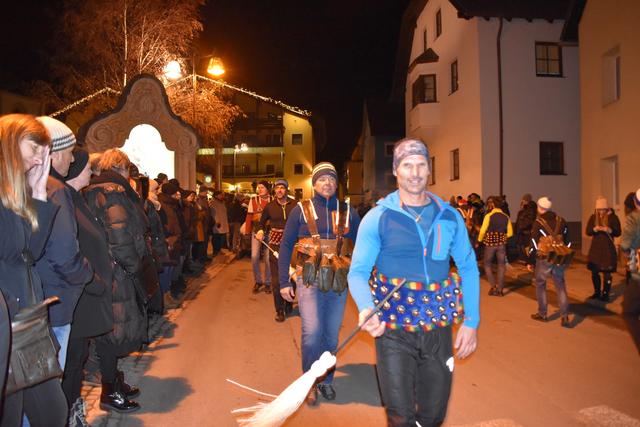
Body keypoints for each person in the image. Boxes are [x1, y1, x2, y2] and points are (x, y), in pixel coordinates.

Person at [348, 138, 479, 427]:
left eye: (421, 164)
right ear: (396, 170)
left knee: (433, 414)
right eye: (407, 165)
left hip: (437, 329)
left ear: (429, 169)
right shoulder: (377, 217)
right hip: (392, 329)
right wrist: (366, 308)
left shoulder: (450, 216)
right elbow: (357, 272)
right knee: (400, 415)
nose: (415, 172)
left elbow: (469, 267)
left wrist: (471, 321)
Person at [0, 114, 68, 426]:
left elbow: (31, 254)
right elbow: (14, 251)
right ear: (11, 142)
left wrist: (38, 194)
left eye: (45, 150)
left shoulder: (18, 192)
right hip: (8, 327)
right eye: (35, 147)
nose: (42, 157)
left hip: (27, 324)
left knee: (53, 413)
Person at [278, 162, 360, 405]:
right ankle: (309, 381)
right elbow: (285, 245)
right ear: (314, 183)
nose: (328, 183)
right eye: (322, 179)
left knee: (331, 335)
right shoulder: (300, 210)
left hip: (338, 280)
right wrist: (284, 280)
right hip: (308, 277)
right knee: (312, 332)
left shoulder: (347, 211)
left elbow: (363, 243)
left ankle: (326, 380)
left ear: (337, 184)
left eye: (332, 179)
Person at [84, 149, 148, 412]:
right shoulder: (112, 194)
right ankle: (109, 391)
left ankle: (114, 382)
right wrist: (136, 268)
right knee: (112, 334)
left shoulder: (94, 190)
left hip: (109, 270)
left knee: (111, 330)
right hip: (117, 273)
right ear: (121, 168)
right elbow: (120, 236)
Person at [34, 116, 94, 374]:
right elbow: (63, 253)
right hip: (56, 301)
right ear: (53, 153)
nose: (71, 159)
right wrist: (86, 274)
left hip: (34, 299)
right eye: (69, 153)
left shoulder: (21, 184)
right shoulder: (55, 190)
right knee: (48, 384)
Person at [60, 149, 115, 424]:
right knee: (70, 364)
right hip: (78, 295)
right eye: (86, 168)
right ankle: (68, 414)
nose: (91, 173)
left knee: (77, 361)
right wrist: (94, 279)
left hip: (86, 294)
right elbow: (67, 252)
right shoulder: (64, 200)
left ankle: (73, 411)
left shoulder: (76, 199)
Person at [255, 179, 296, 321]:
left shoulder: (295, 205)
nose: (279, 190)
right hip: (275, 246)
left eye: (282, 188)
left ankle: (289, 301)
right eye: (277, 188)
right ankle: (279, 310)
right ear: (275, 190)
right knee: (276, 279)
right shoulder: (269, 206)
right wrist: (260, 231)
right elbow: (260, 223)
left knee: (292, 277)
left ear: (286, 190)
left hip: (292, 246)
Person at [529, 196, 571, 327]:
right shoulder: (561, 220)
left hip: (544, 257)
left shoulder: (538, 222)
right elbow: (568, 240)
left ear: (540, 208)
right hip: (558, 255)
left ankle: (543, 313)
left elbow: (534, 242)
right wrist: (563, 251)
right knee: (560, 284)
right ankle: (564, 316)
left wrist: (532, 257)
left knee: (541, 284)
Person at [585, 197, 621, 302]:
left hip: (607, 248)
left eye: (602, 209)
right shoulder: (593, 217)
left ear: (606, 208)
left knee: (607, 272)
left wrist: (610, 230)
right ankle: (597, 292)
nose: (600, 212)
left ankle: (606, 294)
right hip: (596, 248)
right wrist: (594, 229)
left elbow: (618, 232)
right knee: (594, 271)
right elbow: (588, 231)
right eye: (598, 210)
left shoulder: (613, 218)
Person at [478, 195, 513, 296]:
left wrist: (479, 240)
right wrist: (502, 235)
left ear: (493, 204)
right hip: (501, 244)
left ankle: (493, 286)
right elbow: (510, 233)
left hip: (490, 244)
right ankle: (500, 290)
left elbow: (483, 230)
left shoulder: (488, 216)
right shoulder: (506, 217)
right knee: (501, 266)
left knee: (487, 264)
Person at [620, 189, 640, 353]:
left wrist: (627, 252)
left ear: (635, 202)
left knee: (629, 311)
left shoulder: (634, 218)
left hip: (638, 272)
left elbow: (625, 245)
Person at [246, 182, 272, 293]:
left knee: (268, 258)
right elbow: (249, 216)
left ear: (268, 189)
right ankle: (258, 280)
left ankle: (268, 282)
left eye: (262, 187)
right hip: (256, 232)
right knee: (254, 256)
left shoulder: (273, 200)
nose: (260, 189)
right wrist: (247, 231)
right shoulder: (253, 200)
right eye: (259, 188)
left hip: (270, 232)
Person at [515, 193, 538, 262]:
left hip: (527, 232)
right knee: (523, 247)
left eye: (524, 200)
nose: (522, 201)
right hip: (522, 232)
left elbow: (529, 221)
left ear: (526, 200)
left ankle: (531, 261)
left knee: (527, 247)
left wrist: (522, 226)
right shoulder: (525, 209)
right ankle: (527, 260)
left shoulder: (531, 209)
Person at [210, 190, 229, 257]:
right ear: (216, 195)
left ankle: (219, 250)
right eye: (221, 195)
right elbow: (213, 214)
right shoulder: (213, 203)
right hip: (217, 223)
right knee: (216, 237)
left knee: (221, 237)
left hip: (223, 222)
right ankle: (215, 251)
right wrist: (216, 221)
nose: (222, 196)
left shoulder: (222, 202)